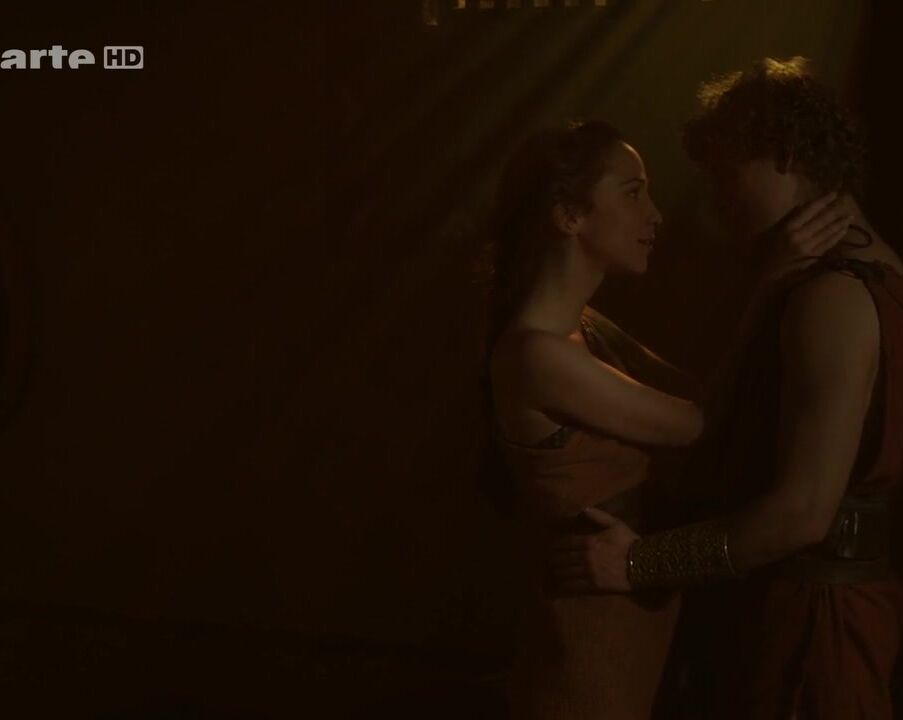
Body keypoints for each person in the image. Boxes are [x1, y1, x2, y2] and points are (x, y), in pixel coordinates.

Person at [552, 57, 903, 719]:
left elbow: (801, 513)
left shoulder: (833, 295)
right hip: (814, 614)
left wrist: (637, 564)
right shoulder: (873, 272)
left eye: (726, 174)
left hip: (808, 634)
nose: (717, 201)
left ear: (786, 155)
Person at [485, 116, 848, 719]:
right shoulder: (537, 355)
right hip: (584, 661)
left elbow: (702, 397)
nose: (654, 215)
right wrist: (769, 283)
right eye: (633, 194)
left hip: (627, 639)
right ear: (569, 215)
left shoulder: (586, 331)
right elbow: (698, 424)